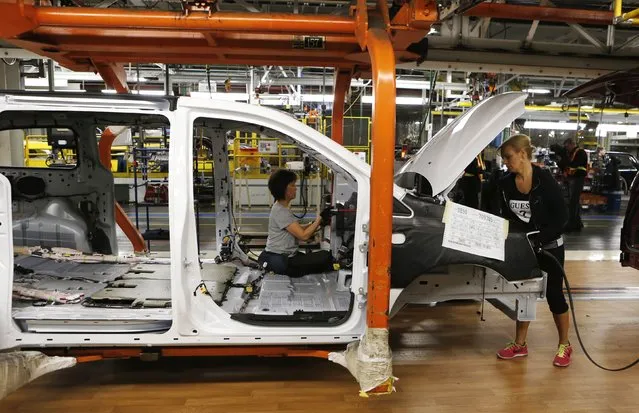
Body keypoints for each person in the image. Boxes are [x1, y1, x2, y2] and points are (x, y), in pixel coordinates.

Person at [495, 134, 572, 367]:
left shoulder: (544, 180)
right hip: (525, 249)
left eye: (508, 157)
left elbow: (562, 217)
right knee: (524, 293)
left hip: (550, 247)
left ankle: (565, 344)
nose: (506, 162)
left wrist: (541, 238)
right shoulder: (506, 184)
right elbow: (507, 217)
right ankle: (520, 344)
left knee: (554, 296)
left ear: (522, 154)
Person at [258, 169, 333, 277]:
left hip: (281, 257)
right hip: (281, 260)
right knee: (326, 257)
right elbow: (304, 236)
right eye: (292, 185)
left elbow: (296, 228)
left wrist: (315, 223)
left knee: (316, 259)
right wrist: (318, 219)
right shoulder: (281, 211)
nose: (296, 188)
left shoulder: (281, 207)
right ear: (284, 189)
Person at [564, 138, 587, 232]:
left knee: (573, 203)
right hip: (574, 179)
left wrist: (566, 163)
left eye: (567, 146)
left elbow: (574, 165)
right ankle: (577, 223)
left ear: (571, 144)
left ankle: (572, 224)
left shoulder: (580, 152)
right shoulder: (573, 153)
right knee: (574, 202)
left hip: (578, 179)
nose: (566, 148)